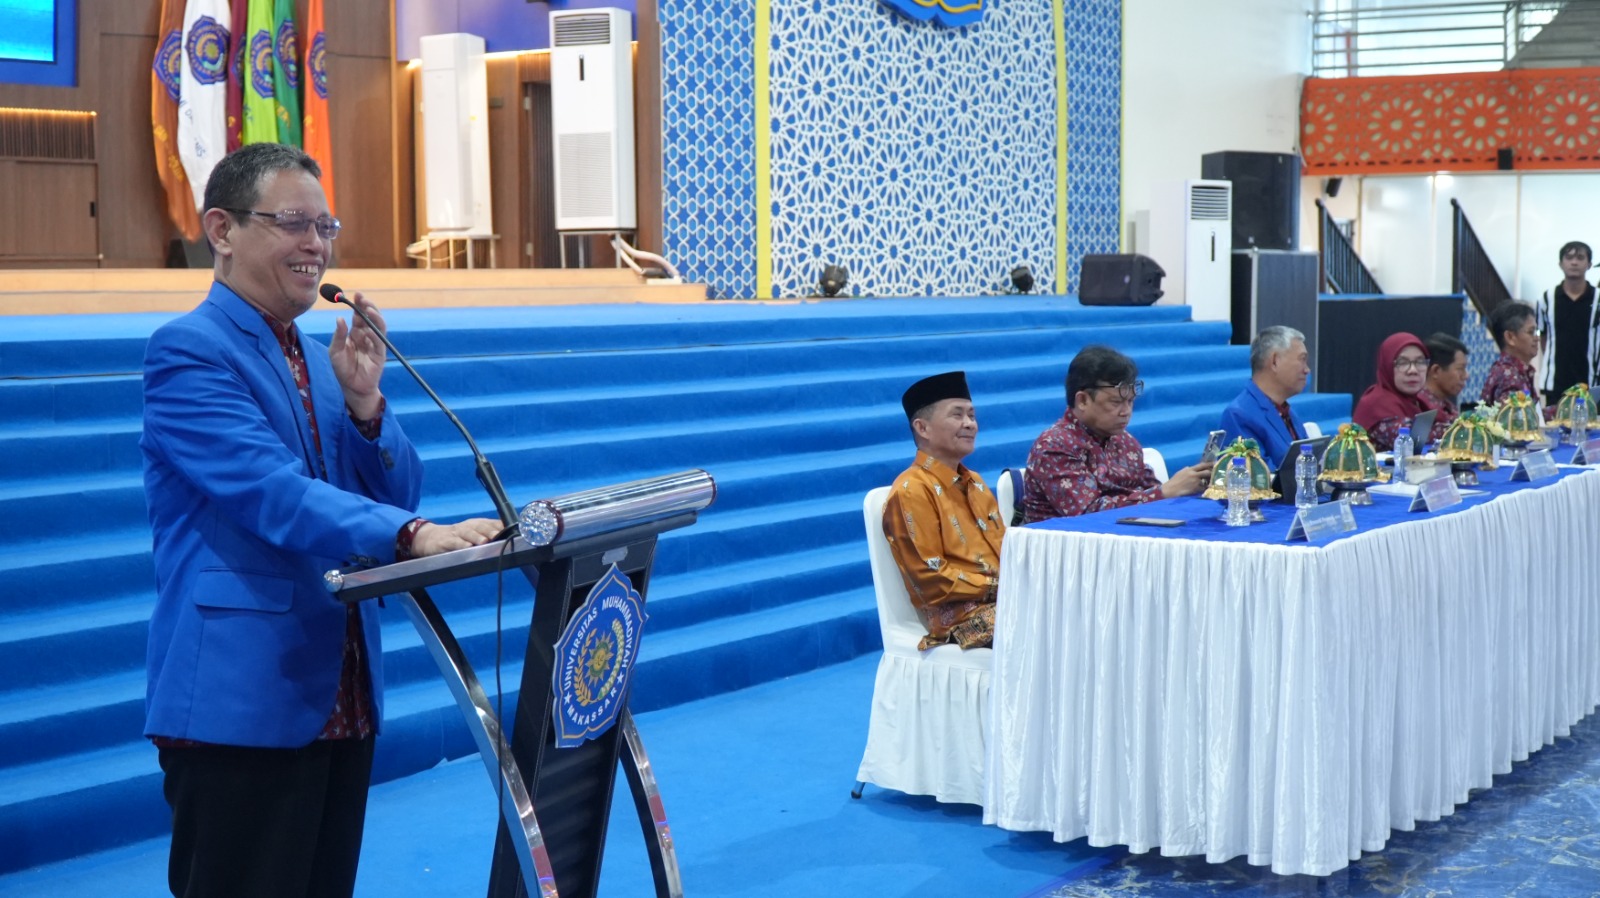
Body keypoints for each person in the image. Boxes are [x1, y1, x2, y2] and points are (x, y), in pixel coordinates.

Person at [141, 143, 504, 898]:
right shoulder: (189, 352)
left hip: (342, 691)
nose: (316, 245)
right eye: (293, 223)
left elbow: (398, 488)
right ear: (222, 230)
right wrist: (410, 535)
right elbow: (271, 494)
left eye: (325, 227)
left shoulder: (320, 358)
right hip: (243, 699)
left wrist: (367, 406)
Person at [881, 371, 1006, 651]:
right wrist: (999, 586)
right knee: (1046, 622)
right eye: (957, 415)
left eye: (972, 415)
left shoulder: (975, 482)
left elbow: (1005, 548)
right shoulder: (912, 490)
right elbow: (932, 579)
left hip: (1004, 599)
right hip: (962, 619)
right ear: (923, 428)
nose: (970, 424)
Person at [1022, 345, 1212, 522]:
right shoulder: (1054, 446)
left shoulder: (1126, 442)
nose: (1126, 411)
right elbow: (1088, 514)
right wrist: (1164, 492)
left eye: (1130, 401)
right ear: (1082, 400)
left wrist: (1191, 485)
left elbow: (1153, 492)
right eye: (1116, 402)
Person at [1218, 325, 1311, 467]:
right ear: (1274, 361)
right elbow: (1258, 476)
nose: (1307, 370)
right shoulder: (1239, 415)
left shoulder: (1287, 412)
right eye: (1302, 359)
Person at [1353, 332, 1449, 451]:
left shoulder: (1419, 402)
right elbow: (1410, 438)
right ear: (1387, 366)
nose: (1413, 370)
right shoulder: (1376, 403)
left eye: (1420, 362)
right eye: (1402, 363)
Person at [1533, 240, 1599, 403]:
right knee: (1555, 419)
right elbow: (1542, 335)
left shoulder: (1598, 298)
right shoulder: (1547, 298)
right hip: (1556, 381)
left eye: (1580, 258)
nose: (1574, 262)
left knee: (1589, 419)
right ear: (1560, 264)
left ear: (1589, 264)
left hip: (1591, 379)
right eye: (1569, 258)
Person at [1480, 300, 1543, 407]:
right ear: (1510, 337)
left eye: (1537, 332)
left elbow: (1534, 413)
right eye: (1531, 332)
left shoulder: (1516, 370)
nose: (1537, 338)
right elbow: (1516, 416)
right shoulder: (1508, 377)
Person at [1421, 331, 1469, 424]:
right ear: (1436, 371)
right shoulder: (1421, 409)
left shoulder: (1448, 407)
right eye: (1460, 369)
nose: (1466, 376)